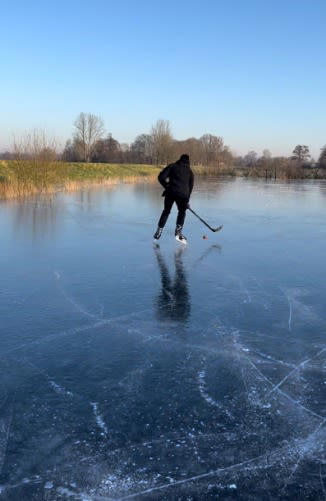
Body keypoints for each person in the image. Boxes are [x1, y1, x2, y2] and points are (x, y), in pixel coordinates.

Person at [153, 154, 194, 244]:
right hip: (183, 195)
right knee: (182, 212)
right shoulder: (189, 171)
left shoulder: (172, 166)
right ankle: (178, 233)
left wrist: (166, 186)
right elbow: (190, 186)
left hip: (170, 192)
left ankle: (158, 232)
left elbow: (161, 177)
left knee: (166, 211)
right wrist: (187, 200)